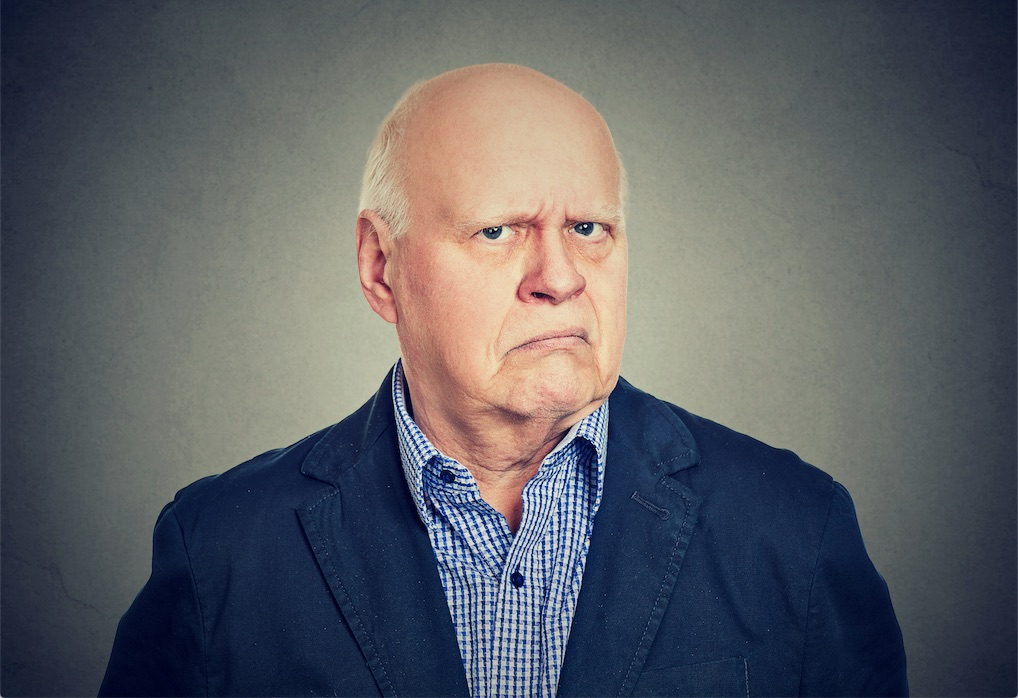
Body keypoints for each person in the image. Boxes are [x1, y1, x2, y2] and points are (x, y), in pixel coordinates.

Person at [99, 63, 908, 697]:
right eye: (497, 231)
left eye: (589, 228)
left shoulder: (797, 531)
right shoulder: (219, 554)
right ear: (380, 268)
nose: (560, 276)